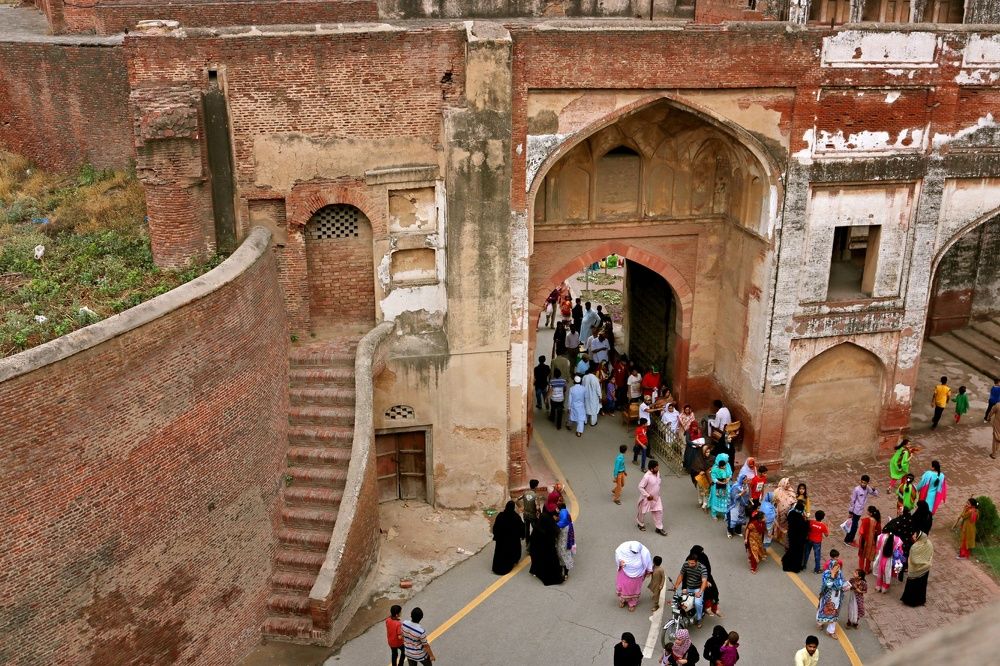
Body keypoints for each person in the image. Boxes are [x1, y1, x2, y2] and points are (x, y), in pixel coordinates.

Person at [615, 540, 653, 612]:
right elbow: (617, 555)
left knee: (634, 589)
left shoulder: (645, 552)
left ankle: (632, 604)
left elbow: (648, 561)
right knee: (622, 587)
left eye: (636, 552)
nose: (634, 553)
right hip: (624, 572)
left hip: (637, 575)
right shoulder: (622, 548)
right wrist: (620, 562)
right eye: (633, 552)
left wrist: (648, 571)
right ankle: (622, 600)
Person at [673, 552, 708, 628]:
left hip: (698, 589)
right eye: (689, 563)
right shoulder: (686, 564)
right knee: (678, 599)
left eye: (692, 563)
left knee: (697, 603)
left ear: (696, 562)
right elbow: (681, 575)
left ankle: (699, 619)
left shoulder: (702, 568)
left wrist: (700, 592)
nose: (690, 565)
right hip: (688, 588)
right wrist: (676, 585)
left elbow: (704, 581)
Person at [528, 510, 563, 585]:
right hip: (548, 552)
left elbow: (532, 541)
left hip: (538, 552)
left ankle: (535, 571)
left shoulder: (537, 529)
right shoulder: (550, 530)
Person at [900, 531, 933, 607]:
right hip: (925, 569)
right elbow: (931, 554)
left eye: (915, 535)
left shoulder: (915, 547)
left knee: (912, 586)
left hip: (915, 571)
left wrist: (920, 563)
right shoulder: (929, 543)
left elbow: (914, 560)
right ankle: (921, 601)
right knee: (922, 585)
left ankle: (910, 602)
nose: (914, 536)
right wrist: (926, 563)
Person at [491, 501, 523, 575]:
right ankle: (512, 562)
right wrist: (521, 535)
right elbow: (521, 527)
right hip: (511, 540)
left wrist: (496, 536)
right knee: (511, 552)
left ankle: (497, 568)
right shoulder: (516, 517)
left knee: (500, 553)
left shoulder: (500, 515)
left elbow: (495, 527)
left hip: (501, 540)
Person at [844, 475, 879, 545]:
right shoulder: (856, 489)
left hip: (860, 511)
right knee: (854, 527)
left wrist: (874, 489)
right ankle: (847, 540)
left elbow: (875, 494)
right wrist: (850, 512)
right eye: (862, 482)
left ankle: (849, 539)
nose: (863, 484)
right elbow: (852, 500)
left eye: (865, 483)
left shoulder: (867, 488)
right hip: (855, 511)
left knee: (854, 526)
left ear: (867, 483)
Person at [815, 559, 846, 637]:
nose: (837, 568)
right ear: (831, 567)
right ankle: (820, 622)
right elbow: (828, 584)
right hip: (827, 597)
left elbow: (842, 582)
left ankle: (830, 631)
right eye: (835, 567)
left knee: (835, 612)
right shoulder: (826, 573)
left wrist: (845, 586)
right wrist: (832, 574)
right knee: (823, 610)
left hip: (837, 597)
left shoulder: (840, 573)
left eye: (838, 567)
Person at [689, 545, 722, 617]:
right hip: (696, 578)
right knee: (707, 591)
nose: (702, 553)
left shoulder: (703, 556)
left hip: (707, 576)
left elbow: (708, 567)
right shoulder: (691, 559)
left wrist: (707, 578)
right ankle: (707, 608)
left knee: (715, 590)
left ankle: (715, 608)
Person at [637, 460, 667, 536]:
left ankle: (659, 528)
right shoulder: (646, 477)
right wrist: (647, 495)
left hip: (656, 498)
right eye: (656, 468)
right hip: (647, 498)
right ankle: (640, 524)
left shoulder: (658, 473)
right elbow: (640, 487)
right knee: (642, 512)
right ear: (651, 469)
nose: (658, 469)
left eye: (658, 467)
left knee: (659, 511)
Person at [783, 500, 809, 573]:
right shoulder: (800, 519)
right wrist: (806, 521)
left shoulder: (791, 513)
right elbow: (805, 529)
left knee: (791, 550)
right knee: (798, 554)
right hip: (798, 539)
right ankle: (795, 568)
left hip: (791, 536)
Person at [855, 506, 881, 574]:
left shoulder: (865, 520)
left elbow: (861, 532)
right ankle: (866, 569)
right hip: (872, 542)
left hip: (864, 541)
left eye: (868, 510)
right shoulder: (877, 522)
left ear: (870, 513)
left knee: (862, 556)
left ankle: (861, 570)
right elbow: (879, 533)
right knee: (869, 556)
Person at [555, 501, 575, 580]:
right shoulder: (566, 513)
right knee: (565, 553)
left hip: (563, 538)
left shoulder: (562, 513)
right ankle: (565, 572)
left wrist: (554, 524)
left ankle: (564, 572)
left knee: (562, 553)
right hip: (566, 538)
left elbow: (561, 523)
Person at [773, 477, 797, 543]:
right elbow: (774, 501)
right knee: (779, 524)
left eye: (789, 483)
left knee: (787, 526)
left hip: (789, 512)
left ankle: (785, 539)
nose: (788, 485)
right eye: (787, 483)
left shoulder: (790, 490)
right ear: (783, 483)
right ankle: (778, 537)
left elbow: (794, 499)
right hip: (780, 512)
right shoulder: (777, 491)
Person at [709, 454, 732, 521]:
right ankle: (714, 514)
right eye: (726, 460)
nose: (727, 462)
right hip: (717, 486)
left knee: (725, 499)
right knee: (716, 499)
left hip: (726, 485)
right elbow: (713, 477)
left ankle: (725, 514)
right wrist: (718, 481)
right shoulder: (715, 468)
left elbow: (730, 473)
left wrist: (728, 478)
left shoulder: (727, 465)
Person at [744, 509, 767, 573]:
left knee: (758, 549)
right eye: (764, 517)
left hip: (758, 539)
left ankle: (751, 558)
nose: (766, 518)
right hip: (752, 540)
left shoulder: (763, 523)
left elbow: (764, 530)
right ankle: (753, 568)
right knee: (754, 552)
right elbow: (747, 530)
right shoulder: (753, 524)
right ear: (760, 519)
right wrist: (746, 539)